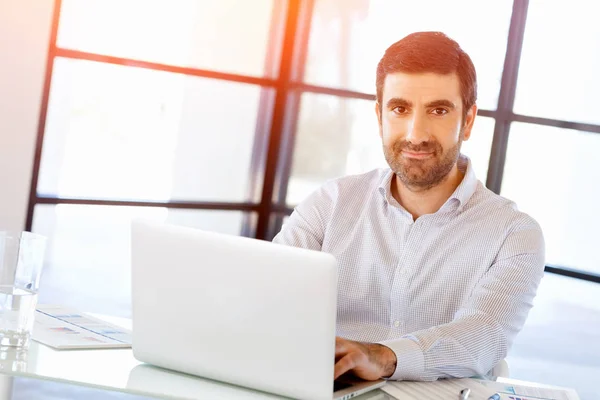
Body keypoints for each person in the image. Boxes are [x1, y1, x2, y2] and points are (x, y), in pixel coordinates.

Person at [273, 31, 545, 382]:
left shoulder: (514, 235)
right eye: (400, 109)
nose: (416, 134)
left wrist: (384, 357)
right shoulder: (330, 204)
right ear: (379, 115)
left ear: (469, 120)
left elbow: (484, 335)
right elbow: (274, 296)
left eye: (438, 110)